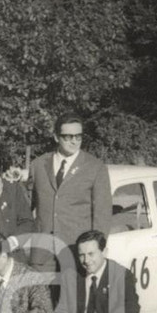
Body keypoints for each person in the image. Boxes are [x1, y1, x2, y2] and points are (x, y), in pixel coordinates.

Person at [27, 113, 112, 273]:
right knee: (40, 298)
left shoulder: (95, 168)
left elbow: (102, 215)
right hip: (42, 253)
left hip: (76, 252)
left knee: (72, 298)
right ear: (56, 137)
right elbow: (25, 206)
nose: (74, 141)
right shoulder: (38, 165)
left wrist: (94, 252)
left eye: (78, 136)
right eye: (68, 137)